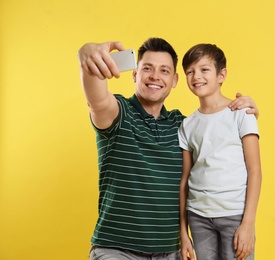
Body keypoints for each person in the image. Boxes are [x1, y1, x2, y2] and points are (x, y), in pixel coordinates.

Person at [77, 38, 259, 260]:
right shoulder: (118, 113)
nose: (155, 76)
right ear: (135, 74)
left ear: (174, 81)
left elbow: (216, 134)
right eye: (147, 68)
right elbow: (97, 100)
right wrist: (88, 56)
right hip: (118, 250)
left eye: (164, 71)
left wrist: (244, 111)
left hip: (171, 253)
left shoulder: (183, 125)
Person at [178, 44, 262, 260]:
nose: (196, 76)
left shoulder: (242, 113)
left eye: (204, 69)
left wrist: (248, 223)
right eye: (190, 71)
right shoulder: (187, 124)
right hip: (198, 217)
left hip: (234, 215)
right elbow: (185, 179)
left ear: (221, 74)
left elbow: (255, 170)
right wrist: (183, 233)